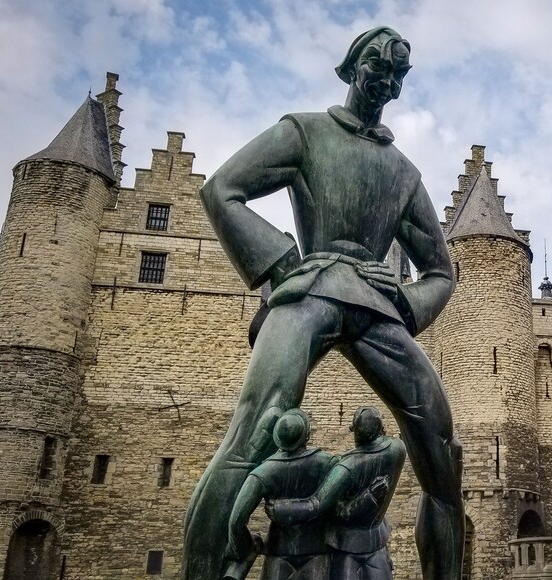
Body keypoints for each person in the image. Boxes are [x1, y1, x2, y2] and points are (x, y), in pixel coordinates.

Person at [182, 26, 464, 580]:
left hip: (378, 310)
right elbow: (222, 190)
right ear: (352, 66)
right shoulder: (305, 132)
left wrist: (405, 306)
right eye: (378, 65)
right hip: (309, 291)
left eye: (398, 72)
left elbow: (440, 271)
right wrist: (284, 264)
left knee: (442, 451)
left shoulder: (404, 173)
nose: (386, 79)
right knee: (254, 430)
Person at [267, 407, 407, 580]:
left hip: (348, 547)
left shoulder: (347, 467)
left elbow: (316, 505)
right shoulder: (398, 449)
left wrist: (281, 509)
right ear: (381, 428)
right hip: (378, 540)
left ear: (355, 433)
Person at [223, 409, 335, 580]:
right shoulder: (327, 463)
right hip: (317, 552)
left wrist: (246, 548)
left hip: (278, 553)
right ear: (306, 434)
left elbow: (235, 522)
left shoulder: (263, 472)